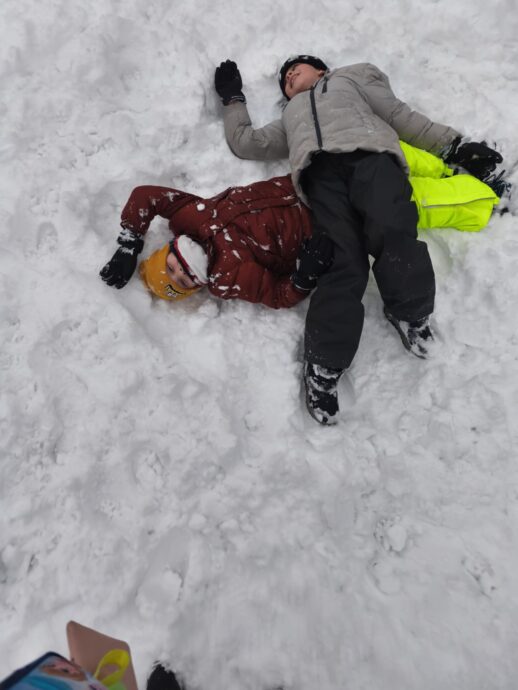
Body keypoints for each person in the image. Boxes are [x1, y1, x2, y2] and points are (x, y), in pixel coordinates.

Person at [213, 55, 508, 424]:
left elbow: (399, 115)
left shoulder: (350, 80)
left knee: (393, 228)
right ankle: (324, 363)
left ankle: (410, 312)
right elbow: (248, 143)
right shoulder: (291, 118)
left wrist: (455, 146)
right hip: (320, 177)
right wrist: (232, 99)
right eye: (285, 78)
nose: (290, 75)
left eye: (297, 67)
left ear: (322, 70)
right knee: (340, 259)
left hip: (372, 159)